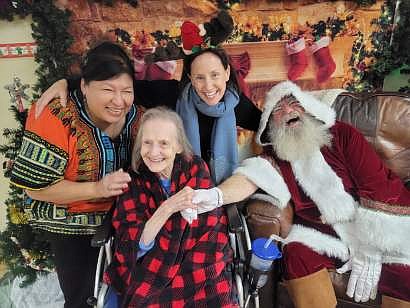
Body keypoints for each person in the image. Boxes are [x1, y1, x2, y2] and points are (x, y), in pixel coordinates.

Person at [193, 81, 410, 308]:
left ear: (307, 109)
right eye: (278, 110)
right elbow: (249, 177)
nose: (287, 111)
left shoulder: (343, 135)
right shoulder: (276, 155)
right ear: (271, 123)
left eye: (294, 103)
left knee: (404, 272)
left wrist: (370, 246)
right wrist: (214, 196)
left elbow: (377, 186)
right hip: (325, 235)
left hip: (376, 227)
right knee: (296, 253)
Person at [10, 41, 144, 308]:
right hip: (74, 225)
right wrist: (96, 189)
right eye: (108, 89)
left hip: (128, 220)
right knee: (84, 298)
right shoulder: (55, 116)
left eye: (126, 91)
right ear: (83, 86)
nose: (119, 101)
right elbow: (34, 188)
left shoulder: (137, 116)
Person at [35, 47, 262, 184]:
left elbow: (267, 128)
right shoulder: (173, 94)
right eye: (199, 77)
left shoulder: (236, 104)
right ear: (190, 78)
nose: (208, 85)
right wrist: (69, 82)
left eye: (214, 75)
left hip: (220, 190)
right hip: (177, 186)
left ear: (227, 72)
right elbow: (122, 83)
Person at [104, 107, 237, 307]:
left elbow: (207, 225)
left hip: (199, 262)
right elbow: (132, 244)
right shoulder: (133, 181)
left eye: (163, 143)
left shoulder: (195, 168)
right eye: (147, 143)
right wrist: (167, 207)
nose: (154, 152)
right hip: (152, 267)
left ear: (178, 147)